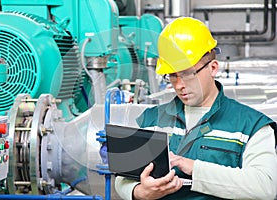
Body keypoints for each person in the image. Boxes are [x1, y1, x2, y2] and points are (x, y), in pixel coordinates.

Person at [114, 17, 277, 199]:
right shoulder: (151, 120)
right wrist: (140, 193)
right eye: (173, 75)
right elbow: (124, 178)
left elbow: (265, 187)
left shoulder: (251, 126)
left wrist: (192, 167)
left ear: (213, 68)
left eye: (188, 74)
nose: (179, 84)